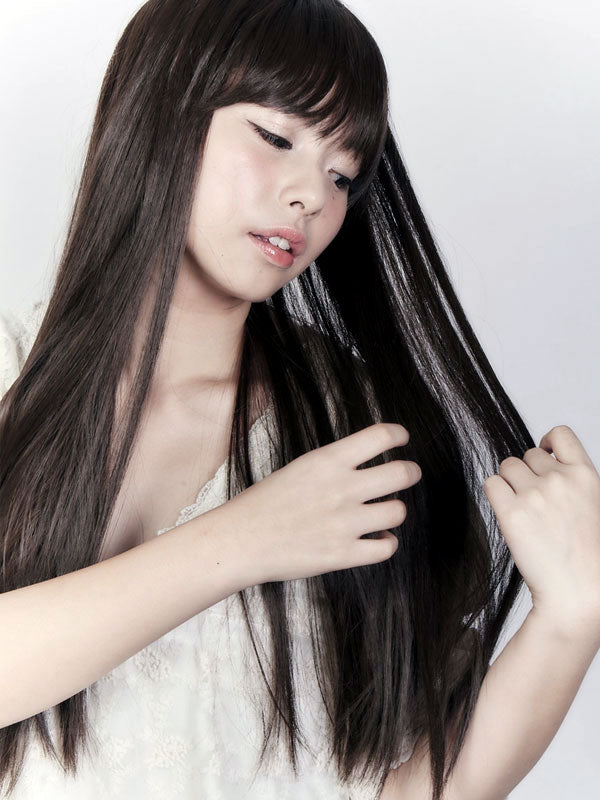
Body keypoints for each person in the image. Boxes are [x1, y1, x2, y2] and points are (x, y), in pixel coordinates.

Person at [2, 1, 600, 799]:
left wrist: (571, 621)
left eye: (342, 174)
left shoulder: (358, 433)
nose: (312, 197)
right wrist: (245, 539)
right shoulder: (14, 378)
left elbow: (401, 789)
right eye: (277, 137)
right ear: (160, 109)